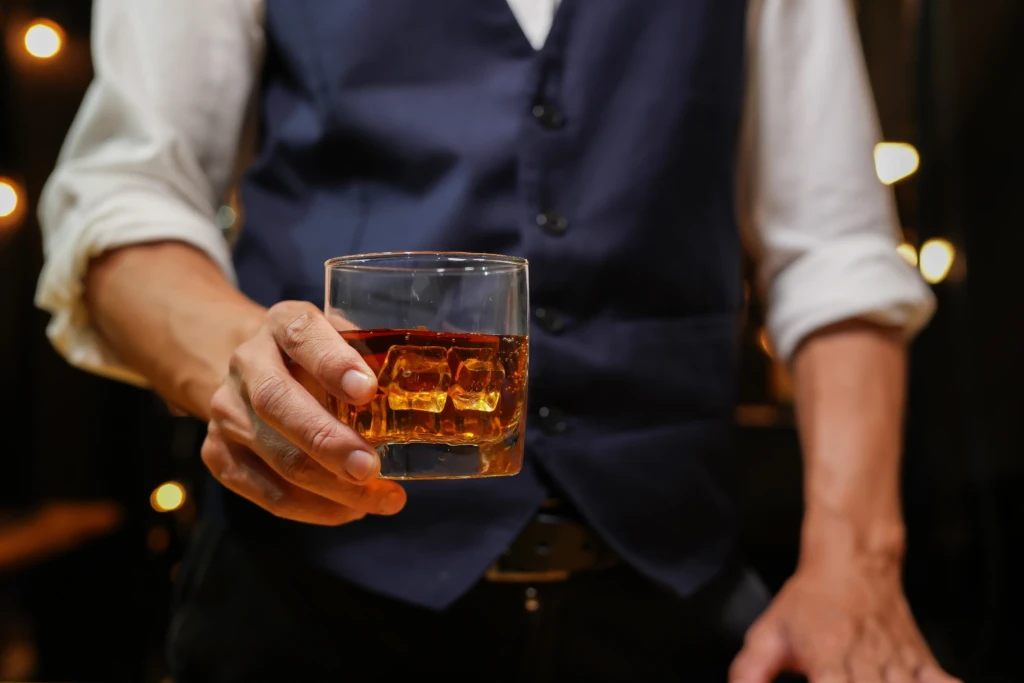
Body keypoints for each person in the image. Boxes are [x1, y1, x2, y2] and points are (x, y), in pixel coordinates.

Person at [35, 0, 958, 681]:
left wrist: (854, 562)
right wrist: (244, 361)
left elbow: (833, 248)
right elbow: (127, 196)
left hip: (673, 610)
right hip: (306, 609)